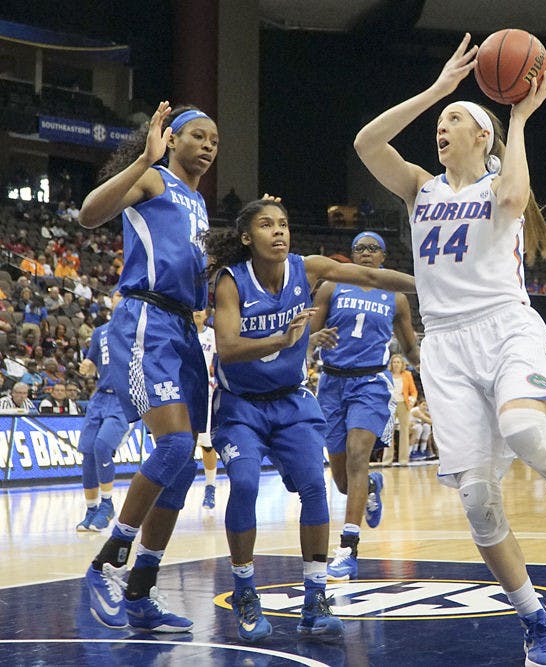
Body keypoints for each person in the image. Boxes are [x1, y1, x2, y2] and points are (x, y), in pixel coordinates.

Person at [354, 34, 546, 667]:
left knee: (523, 427)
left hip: (504, 326)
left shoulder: (501, 184)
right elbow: (366, 144)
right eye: (439, 123)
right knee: (475, 499)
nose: (441, 128)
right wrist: (440, 90)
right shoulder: (420, 188)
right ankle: (536, 621)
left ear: (483, 138)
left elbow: (517, 199)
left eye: (455, 120)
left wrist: (519, 119)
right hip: (444, 346)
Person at [205, 197, 415, 642]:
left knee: (317, 488)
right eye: (266, 225)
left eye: (283, 223)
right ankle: (245, 591)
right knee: (243, 483)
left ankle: (315, 601)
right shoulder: (231, 280)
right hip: (241, 403)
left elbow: (374, 277)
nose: (279, 232)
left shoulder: (308, 268)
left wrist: (433, 286)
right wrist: (285, 339)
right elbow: (226, 347)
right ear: (247, 237)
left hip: (293, 401)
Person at [78, 102, 219, 633]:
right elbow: (90, 213)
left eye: (214, 141)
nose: (208, 145)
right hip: (147, 319)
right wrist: (143, 159)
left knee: (182, 472)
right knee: (177, 445)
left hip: (185, 329)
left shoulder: (199, 203)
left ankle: (140, 592)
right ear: (171, 138)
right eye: (198, 136)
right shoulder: (154, 180)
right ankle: (108, 559)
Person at [310, 231, 420, 581]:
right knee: (343, 480)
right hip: (331, 383)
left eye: (373, 249)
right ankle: (372, 487)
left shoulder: (396, 298)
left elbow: (411, 347)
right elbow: (306, 336)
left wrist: (436, 373)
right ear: (352, 255)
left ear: (384, 257)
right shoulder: (330, 287)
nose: (366, 254)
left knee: (359, 457)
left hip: (371, 383)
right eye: (359, 248)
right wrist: (314, 339)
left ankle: (347, 549)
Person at [76, 295, 133, 532]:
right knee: (88, 452)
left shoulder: (136, 329)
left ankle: (107, 504)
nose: (119, 298)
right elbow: (91, 363)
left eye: (123, 294)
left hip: (123, 399)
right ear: (110, 301)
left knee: (102, 446)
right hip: (100, 396)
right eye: (116, 294)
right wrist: (87, 366)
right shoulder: (100, 332)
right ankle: (91, 509)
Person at [194, 309, 219, 509]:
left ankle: (210, 487)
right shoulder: (182, 332)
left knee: (207, 443)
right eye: (194, 308)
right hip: (183, 389)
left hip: (205, 391)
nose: (197, 312)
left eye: (200, 308)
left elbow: (221, 361)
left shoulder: (212, 335)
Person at [387, 353, 418, 465]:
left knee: (404, 431)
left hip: (403, 404)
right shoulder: (387, 375)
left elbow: (414, 391)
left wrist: (412, 399)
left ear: (402, 364)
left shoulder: (407, 375)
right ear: (391, 364)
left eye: (398, 362)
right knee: (388, 432)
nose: (396, 364)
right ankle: (387, 460)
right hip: (390, 405)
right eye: (394, 362)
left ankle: (404, 460)